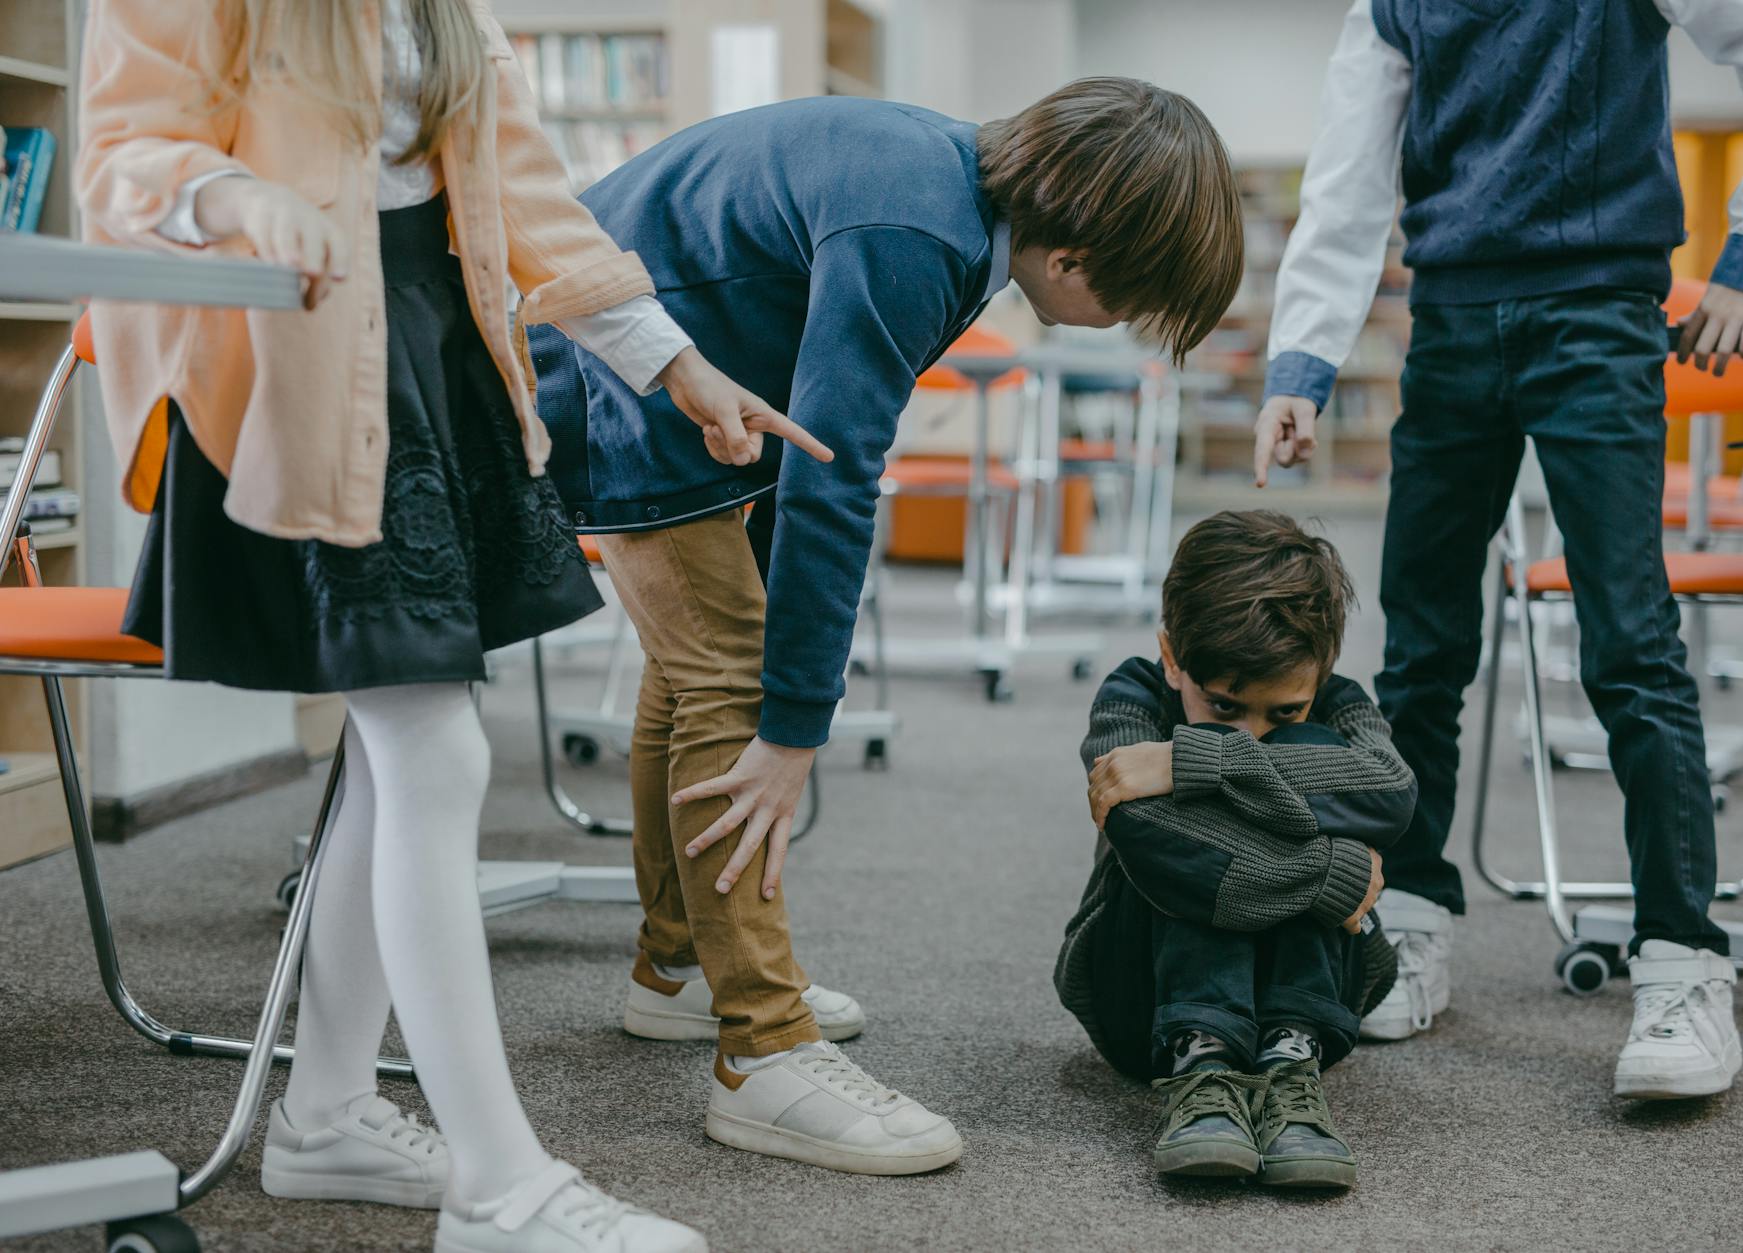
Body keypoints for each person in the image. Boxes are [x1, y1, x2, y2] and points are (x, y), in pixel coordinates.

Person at [78, 2, 825, 1248]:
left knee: (399, 755)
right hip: (301, 349)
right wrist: (231, 198)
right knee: (431, 752)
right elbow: (124, 152)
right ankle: (498, 1186)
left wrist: (674, 365)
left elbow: (520, 189)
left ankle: (323, 1113)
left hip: (432, 339)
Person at [529, 80, 1245, 1175]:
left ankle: (674, 968)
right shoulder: (917, 229)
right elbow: (836, 471)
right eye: (1135, 303)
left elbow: (808, 433)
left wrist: (788, 688)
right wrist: (794, 727)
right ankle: (760, 1049)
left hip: (658, 363)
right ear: (1074, 260)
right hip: (608, 367)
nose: (1129, 328)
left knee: (694, 671)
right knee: (726, 677)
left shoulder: (945, 188)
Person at [1254, 0, 1743, 1097]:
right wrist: (1299, 365)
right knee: (1420, 650)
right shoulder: (1391, 7)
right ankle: (1412, 917)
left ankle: (1679, 957)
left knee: (1630, 644)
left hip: (1597, 318)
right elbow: (1343, 180)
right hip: (1451, 327)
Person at [1056, 510, 1410, 1187]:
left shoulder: (1337, 702)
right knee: (1175, 835)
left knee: (1304, 755)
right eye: (1223, 707)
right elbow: (1150, 837)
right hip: (1144, 1003)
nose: (1254, 730)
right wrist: (1329, 871)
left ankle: (1288, 1059)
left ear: (1323, 668)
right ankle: (1204, 1060)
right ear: (1171, 657)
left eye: (1283, 709)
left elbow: (1391, 791)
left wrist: (1204, 760)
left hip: (1313, 1004)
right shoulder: (1131, 694)